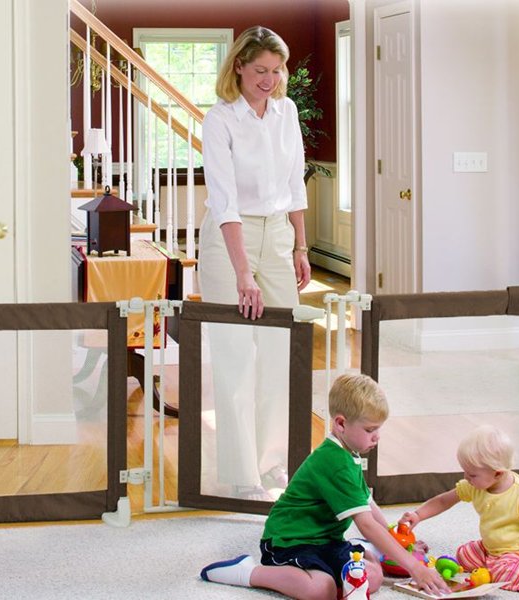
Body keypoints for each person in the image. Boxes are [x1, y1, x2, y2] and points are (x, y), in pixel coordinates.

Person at [199, 374, 451, 599]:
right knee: (321, 590)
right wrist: (414, 566)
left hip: (327, 540)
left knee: (371, 577)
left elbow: (367, 502)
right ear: (340, 424)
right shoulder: (334, 461)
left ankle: (370, 549)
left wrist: (398, 542)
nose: (377, 437)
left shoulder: (349, 453)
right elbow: (365, 523)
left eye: (378, 429)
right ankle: (249, 571)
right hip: (290, 541)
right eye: (370, 429)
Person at [198, 25, 311, 500]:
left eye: (276, 70)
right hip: (230, 240)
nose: (269, 79)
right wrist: (243, 272)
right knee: (236, 355)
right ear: (239, 66)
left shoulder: (286, 113)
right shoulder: (220, 119)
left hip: (279, 234)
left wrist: (301, 247)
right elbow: (224, 200)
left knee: (282, 352)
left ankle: (272, 465)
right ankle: (242, 473)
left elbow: (296, 182)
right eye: (260, 69)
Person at [398, 425, 519, 598]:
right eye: (465, 472)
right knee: (464, 554)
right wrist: (418, 515)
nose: (466, 478)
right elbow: (444, 501)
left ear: (497, 474)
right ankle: (495, 563)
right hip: (493, 548)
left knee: (501, 571)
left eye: (472, 475)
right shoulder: (475, 486)